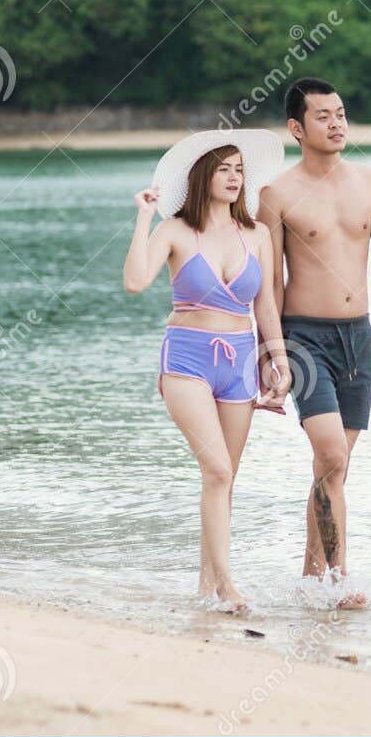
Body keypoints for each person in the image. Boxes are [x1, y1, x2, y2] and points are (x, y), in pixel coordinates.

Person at [257, 78, 371, 609]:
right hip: (304, 336)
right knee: (331, 455)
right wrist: (272, 350)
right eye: (323, 116)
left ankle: (309, 577)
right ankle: (339, 582)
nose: (336, 124)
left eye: (341, 114)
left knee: (332, 467)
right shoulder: (276, 194)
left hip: (359, 338)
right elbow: (271, 282)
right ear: (296, 128)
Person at [122, 130, 289, 613]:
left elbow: (268, 306)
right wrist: (143, 217)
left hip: (240, 362)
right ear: (202, 176)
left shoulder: (257, 233)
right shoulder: (174, 230)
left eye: (240, 169)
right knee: (216, 469)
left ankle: (204, 586)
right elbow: (135, 282)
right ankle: (229, 586)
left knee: (223, 480)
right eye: (224, 169)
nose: (236, 177)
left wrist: (278, 362)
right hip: (187, 360)